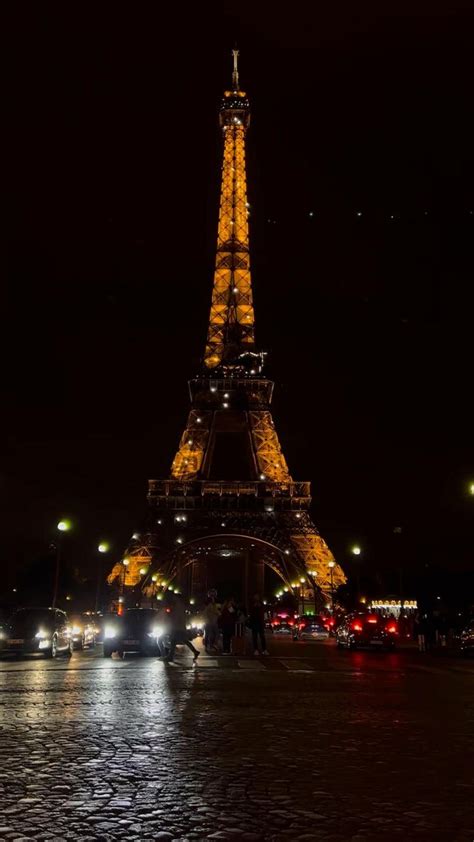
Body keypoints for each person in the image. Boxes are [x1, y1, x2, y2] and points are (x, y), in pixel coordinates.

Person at [166, 593, 200, 664]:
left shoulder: (178, 606)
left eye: (174, 597)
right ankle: (195, 652)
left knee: (175, 641)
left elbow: (178, 617)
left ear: (177, 598)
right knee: (181, 641)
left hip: (178, 627)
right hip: (179, 626)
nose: (173, 598)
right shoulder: (179, 605)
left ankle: (170, 656)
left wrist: (173, 623)